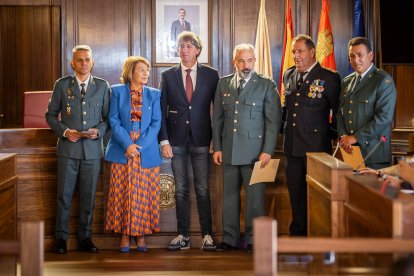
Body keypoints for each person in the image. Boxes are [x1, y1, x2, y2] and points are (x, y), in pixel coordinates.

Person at [212, 43, 282, 252]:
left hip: (256, 153)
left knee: (255, 201)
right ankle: (229, 238)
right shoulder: (224, 84)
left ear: (255, 60)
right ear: (234, 62)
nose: (246, 65)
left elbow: (273, 121)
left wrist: (268, 150)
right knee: (230, 198)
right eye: (241, 60)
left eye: (250, 60)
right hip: (230, 149)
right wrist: (217, 147)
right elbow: (217, 119)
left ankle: (254, 240)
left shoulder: (266, 85)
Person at [45, 45, 110, 254]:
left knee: (88, 197)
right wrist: (64, 132)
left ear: (92, 62)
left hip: (92, 151)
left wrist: (98, 132)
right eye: (79, 60)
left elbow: (108, 120)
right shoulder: (62, 85)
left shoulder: (102, 86)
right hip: (68, 150)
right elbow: (50, 115)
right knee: (63, 196)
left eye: (87, 60)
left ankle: (85, 237)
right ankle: (61, 239)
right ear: (72, 63)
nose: (84, 63)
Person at [159, 31, 219, 251]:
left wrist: (217, 141)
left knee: (203, 189)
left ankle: (207, 235)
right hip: (175, 141)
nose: (184, 50)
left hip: (203, 140)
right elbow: (160, 110)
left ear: (197, 50)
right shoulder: (168, 75)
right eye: (181, 46)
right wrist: (163, 140)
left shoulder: (211, 75)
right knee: (180, 189)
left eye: (188, 46)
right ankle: (183, 235)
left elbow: (219, 110)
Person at [282, 34, 341, 236]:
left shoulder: (329, 78)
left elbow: (338, 113)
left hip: (316, 147)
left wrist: (333, 137)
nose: (296, 56)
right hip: (292, 146)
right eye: (293, 52)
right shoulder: (288, 75)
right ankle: (298, 231)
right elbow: (286, 110)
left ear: (312, 52)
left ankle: (318, 233)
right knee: (295, 193)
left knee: (317, 194)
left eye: (300, 51)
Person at [105, 56, 162, 252]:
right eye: (141, 70)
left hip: (146, 150)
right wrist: (128, 144)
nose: (146, 73)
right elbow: (113, 120)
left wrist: (139, 146)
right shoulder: (117, 91)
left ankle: (141, 235)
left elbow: (156, 123)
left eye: (147, 70)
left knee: (144, 194)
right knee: (123, 193)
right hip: (122, 148)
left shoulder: (154, 94)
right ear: (131, 72)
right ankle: (124, 235)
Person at [337, 37, 397, 169]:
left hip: (373, 154)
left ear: (371, 55)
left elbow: (383, 118)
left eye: (360, 55)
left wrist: (355, 137)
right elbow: (339, 113)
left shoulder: (383, 80)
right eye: (352, 56)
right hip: (349, 151)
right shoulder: (347, 81)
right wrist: (343, 136)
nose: (356, 60)